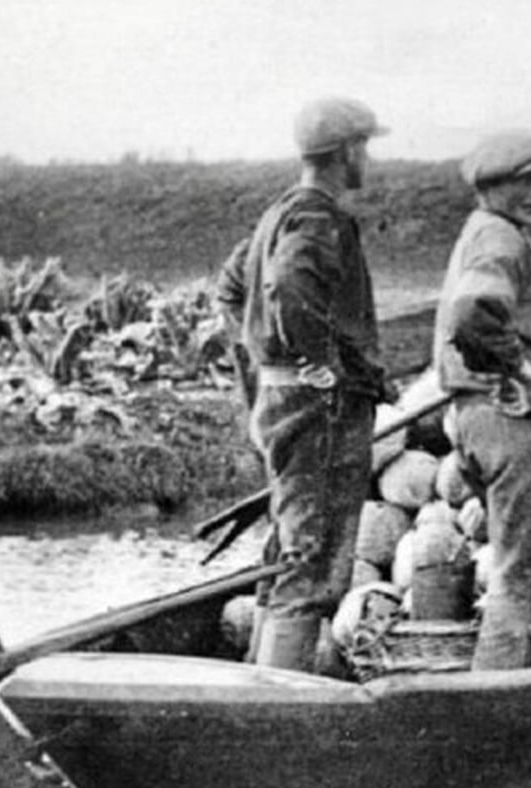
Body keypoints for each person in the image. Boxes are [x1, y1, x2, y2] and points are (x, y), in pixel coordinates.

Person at [215, 97, 391, 672]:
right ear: (345, 152)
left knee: (288, 549)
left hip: (284, 399)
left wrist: (267, 364)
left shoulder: (278, 213)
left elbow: (233, 288)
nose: (367, 157)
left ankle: (261, 687)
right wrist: (320, 363)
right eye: (364, 146)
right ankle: (277, 704)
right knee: (311, 559)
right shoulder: (319, 218)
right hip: (322, 409)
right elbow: (289, 286)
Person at [434, 129, 531, 669]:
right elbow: (473, 312)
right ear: (490, 188)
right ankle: (493, 703)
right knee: (520, 577)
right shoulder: (502, 239)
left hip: (477, 419)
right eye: (524, 181)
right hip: (515, 424)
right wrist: (516, 367)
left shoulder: (485, 231)